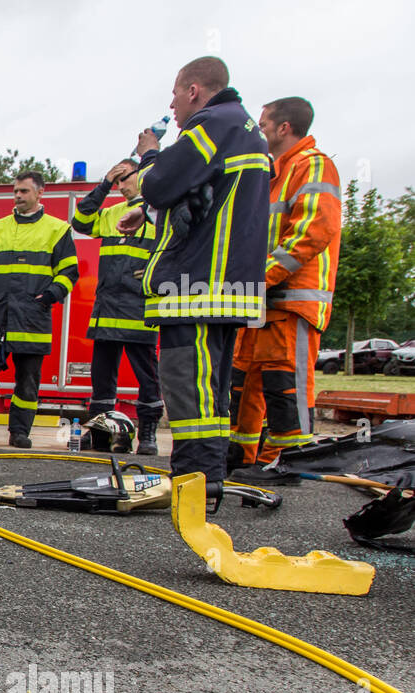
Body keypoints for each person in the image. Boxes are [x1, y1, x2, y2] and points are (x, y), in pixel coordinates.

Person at [121, 56, 270, 486]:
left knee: (188, 390)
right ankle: (207, 482)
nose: (172, 105)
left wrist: (149, 153)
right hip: (222, 288)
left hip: (197, 288)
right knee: (210, 394)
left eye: (174, 93)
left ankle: (196, 487)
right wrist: (147, 215)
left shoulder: (213, 124)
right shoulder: (240, 129)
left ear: (192, 90)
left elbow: (160, 182)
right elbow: (202, 203)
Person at [226, 96, 341, 483]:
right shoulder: (275, 173)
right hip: (265, 300)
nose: (259, 131)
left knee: (284, 380)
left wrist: (259, 278)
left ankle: (288, 459)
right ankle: (244, 455)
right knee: (246, 378)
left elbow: (313, 232)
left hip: (292, 300)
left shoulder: (313, 166)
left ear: (283, 128)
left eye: (263, 125)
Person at [0, 171, 79, 447]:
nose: (18, 196)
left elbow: (69, 272)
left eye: (24, 191)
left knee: (28, 379)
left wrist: (48, 298)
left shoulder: (57, 229)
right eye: (16, 191)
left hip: (33, 317)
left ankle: (20, 433)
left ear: (39, 193)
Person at [72, 159, 162, 454]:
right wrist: (105, 183)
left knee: (148, 378)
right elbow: (81, 220)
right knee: (102, 381)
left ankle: (148, 434)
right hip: (107, 310)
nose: (121, 185)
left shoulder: (157, 213)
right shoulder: (111, 213)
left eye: (125, 178)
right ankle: (101, 434)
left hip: (139, 310)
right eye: (118, 180)